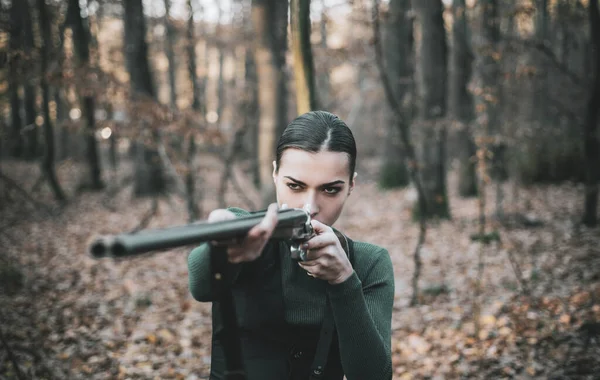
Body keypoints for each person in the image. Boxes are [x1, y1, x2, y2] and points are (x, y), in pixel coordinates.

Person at [188, 111, 394, 380]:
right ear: (275, 174)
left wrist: (344, 280)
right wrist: (221, 247)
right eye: (295, 186)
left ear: (351, 185)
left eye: (330, 189)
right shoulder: (246, 231)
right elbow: (201, 287)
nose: (310, 207)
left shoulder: (369, 262)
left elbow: (374, 376)